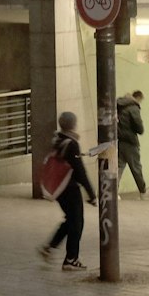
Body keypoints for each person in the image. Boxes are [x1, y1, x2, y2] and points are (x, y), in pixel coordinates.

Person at [39, 111, 97, 271]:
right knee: (77, 222)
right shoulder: (71, 144)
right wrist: (92, 194)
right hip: (69, 188)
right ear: (73, 124)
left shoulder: (58, 140)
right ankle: (71, 259)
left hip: (59, 188)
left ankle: (50, 247)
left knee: (70, 220)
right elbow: (80, 171)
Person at [117, 90, 147, 197]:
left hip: (119, 141)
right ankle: (143, 192)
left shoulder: (118, 105)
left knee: (118, 167)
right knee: (136, 168)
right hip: (130, 142)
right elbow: (139, 128)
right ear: (138, 98)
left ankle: (114, 191)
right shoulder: (133, 107)